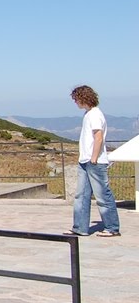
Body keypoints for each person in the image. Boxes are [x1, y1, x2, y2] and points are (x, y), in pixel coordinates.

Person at [66, 85, 121, 237]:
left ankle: (112, 227)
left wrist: (94, 158)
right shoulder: (88, 114)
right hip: (85, 160)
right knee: (81, 195)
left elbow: (98, 136)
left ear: (84, 98)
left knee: (102, 195)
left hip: (94, 161)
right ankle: (80, 227)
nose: (75, 102)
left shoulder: (95, 114)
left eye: (76, 99)